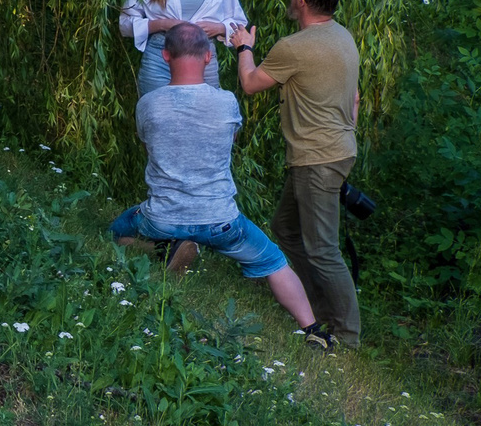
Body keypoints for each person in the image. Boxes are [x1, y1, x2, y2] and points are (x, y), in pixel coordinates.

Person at [111, 23, 337, 349]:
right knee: (274, 261)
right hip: (221, 221)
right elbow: (229, 140)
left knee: (119, 230)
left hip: (162, 217)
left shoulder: (148, 104)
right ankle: (314, 330)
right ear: (207, 57)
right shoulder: (227, 102)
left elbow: (151, 148)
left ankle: (162, 248)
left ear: (164, 56)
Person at [229, 0, 363, 349]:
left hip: (316, 159)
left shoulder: (295, 47)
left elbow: (252, 83)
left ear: (301, 1)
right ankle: (317, 309)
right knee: (286, 228)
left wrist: (244, 48)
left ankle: (347, 339)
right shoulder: (343, 37)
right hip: (335, 151)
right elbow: (353, 99)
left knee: (322, 248)